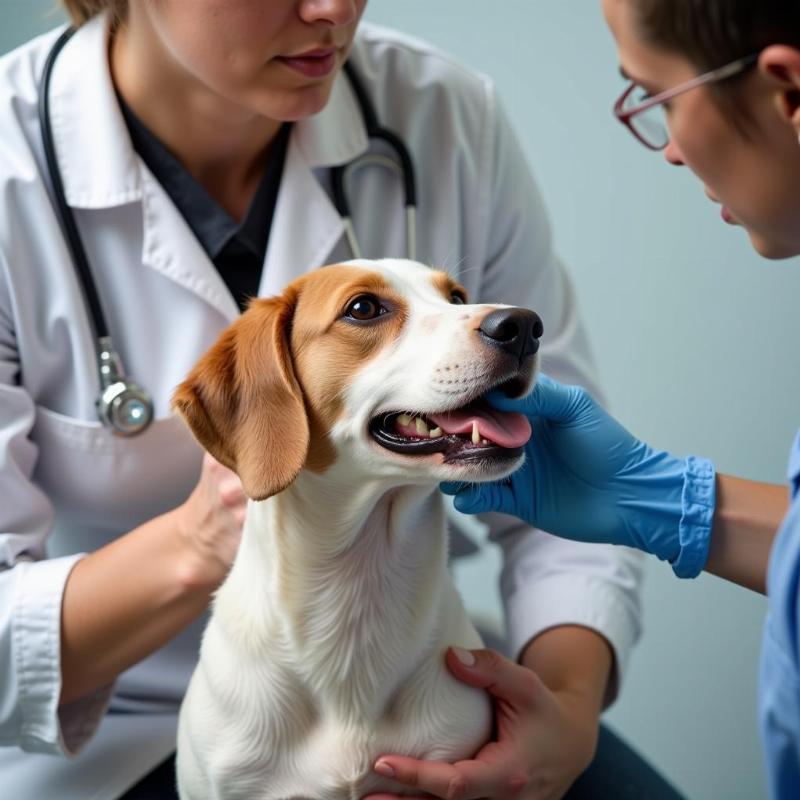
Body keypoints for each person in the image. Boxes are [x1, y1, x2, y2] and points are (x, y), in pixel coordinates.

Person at [0, 1, 648, 798]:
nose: (334, 9)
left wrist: (562, 718)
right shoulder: (12, 163)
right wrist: (201, 540)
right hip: (114, 718)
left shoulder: (442, 112)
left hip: (417, 675)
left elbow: (568, 491)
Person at [360, 1, 800, 798]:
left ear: (789, 93)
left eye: (655, 95)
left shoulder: (446, 109)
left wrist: (567, 710)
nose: (666, 149)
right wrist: (668, 501)